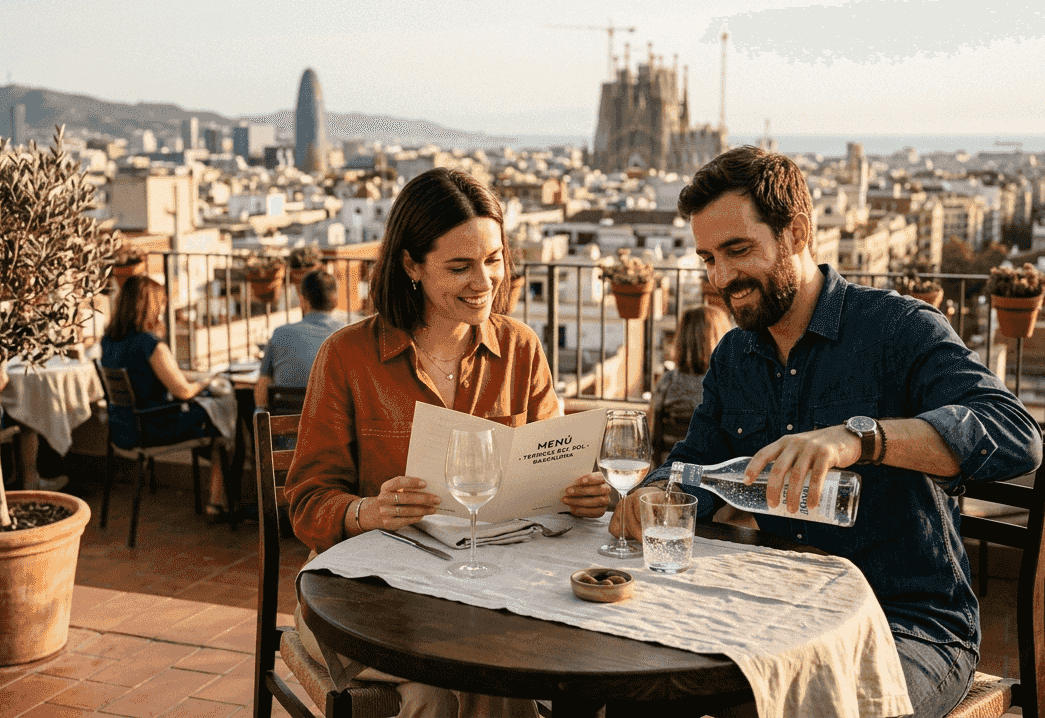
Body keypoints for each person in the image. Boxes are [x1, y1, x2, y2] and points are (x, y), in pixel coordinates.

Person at [611, 146, 1042, 718]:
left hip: (907, 624)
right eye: (708, 258)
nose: (719, 279)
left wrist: (860, 438)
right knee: (634, 693)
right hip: (777, 607)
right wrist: (651, 495)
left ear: (796, 233)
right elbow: (693, 468)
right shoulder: (735, 356)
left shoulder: (897, 328)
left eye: (738, 251)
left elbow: (1015, 434)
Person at [283, 167, 612, 718]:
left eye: (493, 260)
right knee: (477, 681)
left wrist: (582, 492)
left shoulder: (521, 349)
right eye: (459, 267)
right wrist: (367, 510)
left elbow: (556, 469)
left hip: (489, 594)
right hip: (366, 600)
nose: (484, 282)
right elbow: (307, 503)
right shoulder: (347, 357)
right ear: (411, 265)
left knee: (477, 677)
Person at [101, 275, 225, 465]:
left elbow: (143, 373)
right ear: (153, 306)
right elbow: (183, 392)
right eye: (162, 303)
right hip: (151, 429)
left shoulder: (108, 342)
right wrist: (205, 382)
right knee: (219, 418)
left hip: (121, 428)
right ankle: (221, 493)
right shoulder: (150, 345)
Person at [649, 303, 733, 461]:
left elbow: (652, 435)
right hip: (713, 473)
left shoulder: (667, 382)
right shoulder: (730, 385)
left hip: (670, 470)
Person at [255, 268, 343, 413]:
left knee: (256, 412)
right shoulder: (347, 336)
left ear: (302, 300)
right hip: (332, 430)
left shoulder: (280, 334)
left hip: (287, 432)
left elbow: (262, 395)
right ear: (335, 301)